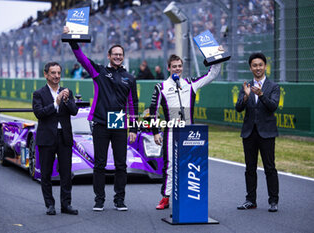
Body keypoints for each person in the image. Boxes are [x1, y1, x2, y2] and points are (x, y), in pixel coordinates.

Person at [64, 27, 139, 212]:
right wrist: (72, 40)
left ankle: (119, 200)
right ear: (109, 55)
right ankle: (99, 200)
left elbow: (133, 105)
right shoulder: (98, 72)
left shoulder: (129, 78)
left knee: (121, 165)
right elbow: (81, 59)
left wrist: (134, 129)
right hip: (100, 123)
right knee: (100, 164)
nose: (118, 57)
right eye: (115, 54)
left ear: (123, 56)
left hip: (119, 124)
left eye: (120, 54)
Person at [149, 52, 223, 210]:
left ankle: (189, 197)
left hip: (190, 131)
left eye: (180, 66)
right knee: (169, 165)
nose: (177, 69)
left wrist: (217, 56)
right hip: (170, 131)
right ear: (168, 68)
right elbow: (152, 112)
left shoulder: (190, 83)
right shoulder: (161, 87)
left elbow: (213, 74)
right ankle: (166, 197)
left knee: (191, 165)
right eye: (174, 66)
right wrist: (155, 132)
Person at [32, 62, 79, 215]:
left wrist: (66, 100)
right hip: (46, 138)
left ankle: (66, 205)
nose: (57, 76)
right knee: (46, 173)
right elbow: (39, 113)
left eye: (58, 73)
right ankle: (49, 205)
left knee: (66, 173)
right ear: (46, 74)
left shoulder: (67, 92)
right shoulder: (38, 94)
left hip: (64, 137)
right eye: (53, 73)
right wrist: (56, 102)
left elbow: (74, 111)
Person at [235, 53, 280, 212]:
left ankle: (273, 201)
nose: (258, 68)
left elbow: (273, 106)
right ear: (250, 68)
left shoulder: (273, 87)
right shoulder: (246, 85)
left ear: (265, 66)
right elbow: (238, 108)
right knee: (249, 168)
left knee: (269, 167)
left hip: (267, 133)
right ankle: (250, 200)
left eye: (260, 65)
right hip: (249, 133)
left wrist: (261, 95)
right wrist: (246, 97)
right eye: (254, 65)